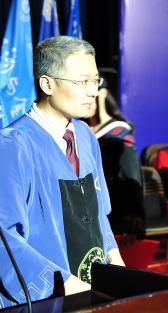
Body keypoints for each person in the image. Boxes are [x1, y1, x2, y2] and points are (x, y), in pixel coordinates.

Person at [0, 36, 123, 306]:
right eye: (81, 82)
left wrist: (116, 263)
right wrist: (64, 284)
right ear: (47, 84)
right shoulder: (13, 145)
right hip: (49, 298)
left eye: (95, 80)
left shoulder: (85, 136)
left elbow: (99, 213)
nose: (92, 91)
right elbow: (5, 238)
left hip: (94, 290)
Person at [86, 80, 145, 241]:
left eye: (91, 94)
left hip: (116, 210)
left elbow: (131, 178)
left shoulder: (119, 132)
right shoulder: (80, 131)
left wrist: (133, 218)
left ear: (102, 94)